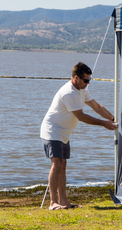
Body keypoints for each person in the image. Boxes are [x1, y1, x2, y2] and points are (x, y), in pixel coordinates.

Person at [40, 62, 116, 210]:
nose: (88, 83)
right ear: (76, 78)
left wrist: (113, 120)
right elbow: (81, 116)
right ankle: (52, 203)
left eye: (89, 80)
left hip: (64, 133)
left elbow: (96, 107)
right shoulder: (69, 92)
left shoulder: (82, 90)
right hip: (52, 130)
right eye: (85, 80)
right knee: (56, 164)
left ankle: (64, 202)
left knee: (63, 165)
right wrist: (103, 124)